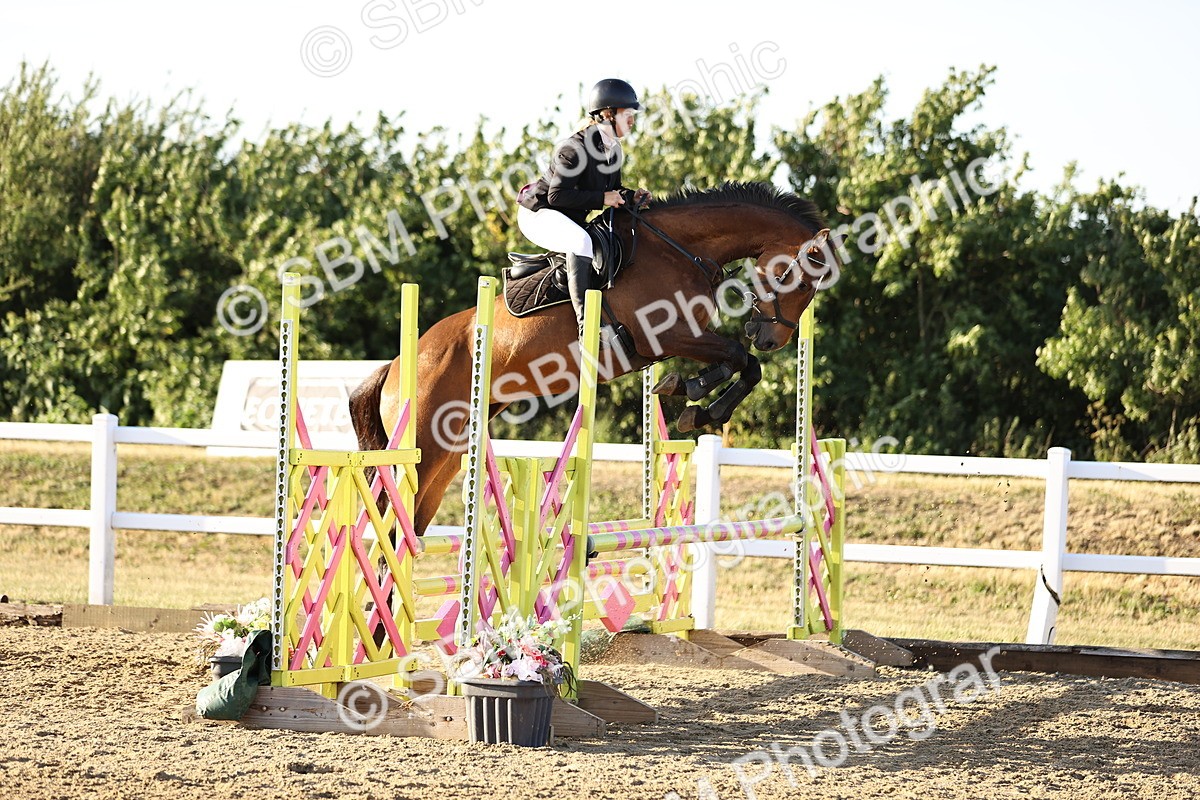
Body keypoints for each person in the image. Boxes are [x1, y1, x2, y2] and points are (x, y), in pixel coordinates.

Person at [517, 78, 651, 341]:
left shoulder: (613, 150)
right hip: (538, 213)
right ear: (607, 114)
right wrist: (604, 197)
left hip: (564, 214)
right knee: (581, 241)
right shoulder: (574, 148)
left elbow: (613, 190)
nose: (632, 121)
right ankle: (586, 327)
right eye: (627, 115)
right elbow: (556, 196)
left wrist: (630, 196)